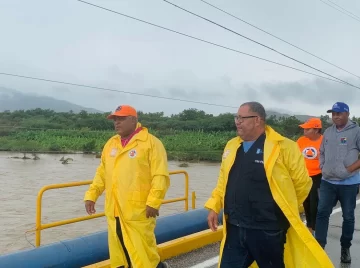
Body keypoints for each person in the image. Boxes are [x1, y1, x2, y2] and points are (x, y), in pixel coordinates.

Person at [205, 102, 333, 268]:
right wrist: (214, 206)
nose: (237, 121)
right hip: (236, 226)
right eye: (236, 117)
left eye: (241, 118)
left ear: (257, 120)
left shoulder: (284, 147)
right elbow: (223, 181)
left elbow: (302, 184)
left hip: (268, 229)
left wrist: (280, 208)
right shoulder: (232, 146)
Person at [84, 105, 170, 268]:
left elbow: (160, 175)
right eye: (115, 119)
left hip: (138, 211)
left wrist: (154, 202)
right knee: (121, 255)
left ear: (133, 120)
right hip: (114, 210)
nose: (117, 123)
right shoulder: (111, 144)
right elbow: (102, 173)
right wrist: (91, 195)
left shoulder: (151, 143)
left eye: (121, 119)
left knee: (143, 254)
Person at [315, 102, 360, 264]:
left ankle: (345, 247)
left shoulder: (356, 131)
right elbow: (322, 151)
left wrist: (349, 170)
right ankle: (319, 246)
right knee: (321, 213)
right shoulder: (328, 132)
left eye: (339, 113)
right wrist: (322, 166)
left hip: (349, 184)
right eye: (333, 113)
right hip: (328, 181)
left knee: (348, 216)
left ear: (347, 114)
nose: (335, 116)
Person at [297, 118, 323, 235]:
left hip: (319, 176)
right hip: (304, 176)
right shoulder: (301, 141)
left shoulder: (324, 141)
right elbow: (295, 156)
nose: (304, 131)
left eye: (307, 129)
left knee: (315, 204)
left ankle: (317, 230)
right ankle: (309, 228)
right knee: (306, 203)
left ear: (316, 130)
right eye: (304, 129)